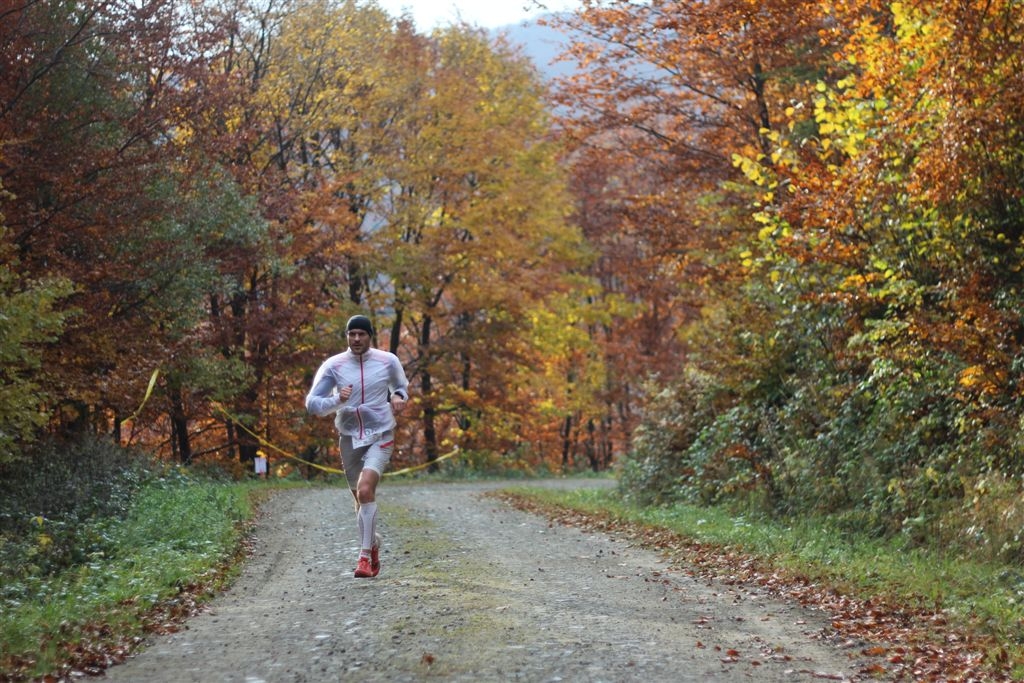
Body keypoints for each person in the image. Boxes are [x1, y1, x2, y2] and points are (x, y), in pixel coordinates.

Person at [305, 314, 410, 578]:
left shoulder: (387, 361)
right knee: (359, 500)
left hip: (381, 433)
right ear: (347, 336)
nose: (356, 339)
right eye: (351, 334)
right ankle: (372, 543)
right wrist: (337, 400)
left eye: (361, 334)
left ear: (370, 336)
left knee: (365, 491)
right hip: (350, 437)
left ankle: (363, 558)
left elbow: (400, 387)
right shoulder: (334, 365)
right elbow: (312, 404)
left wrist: (398, 397)